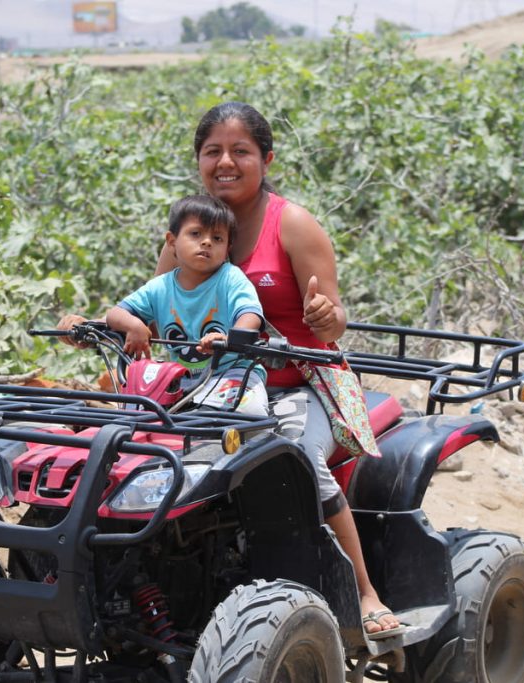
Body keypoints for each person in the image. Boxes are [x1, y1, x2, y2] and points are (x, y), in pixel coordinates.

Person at [60, 101, 401, 637]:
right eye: (212, 151)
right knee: (133, 453)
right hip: (210, 386)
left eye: (240, 151)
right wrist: (111, 326)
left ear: (266, 158)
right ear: (198, 161)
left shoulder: (292, 224)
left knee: (298, 458)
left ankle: (363, 591)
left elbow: (334, 325)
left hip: (298, 385)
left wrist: (323, 315)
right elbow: (157, 309)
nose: (226, 162)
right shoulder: (185, 235)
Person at [105, 194, 268, 415]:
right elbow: (115, 313)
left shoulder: (231, 278)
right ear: (172, 241)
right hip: (180, 376)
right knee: (133, 413)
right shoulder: (160, 287)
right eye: (195, 234)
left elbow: (250, 314)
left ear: (228, 247)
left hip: (232, 372)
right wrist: (134, 326)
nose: (207, 242)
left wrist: (230, 338)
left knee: (249, 412)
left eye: (217, 238)